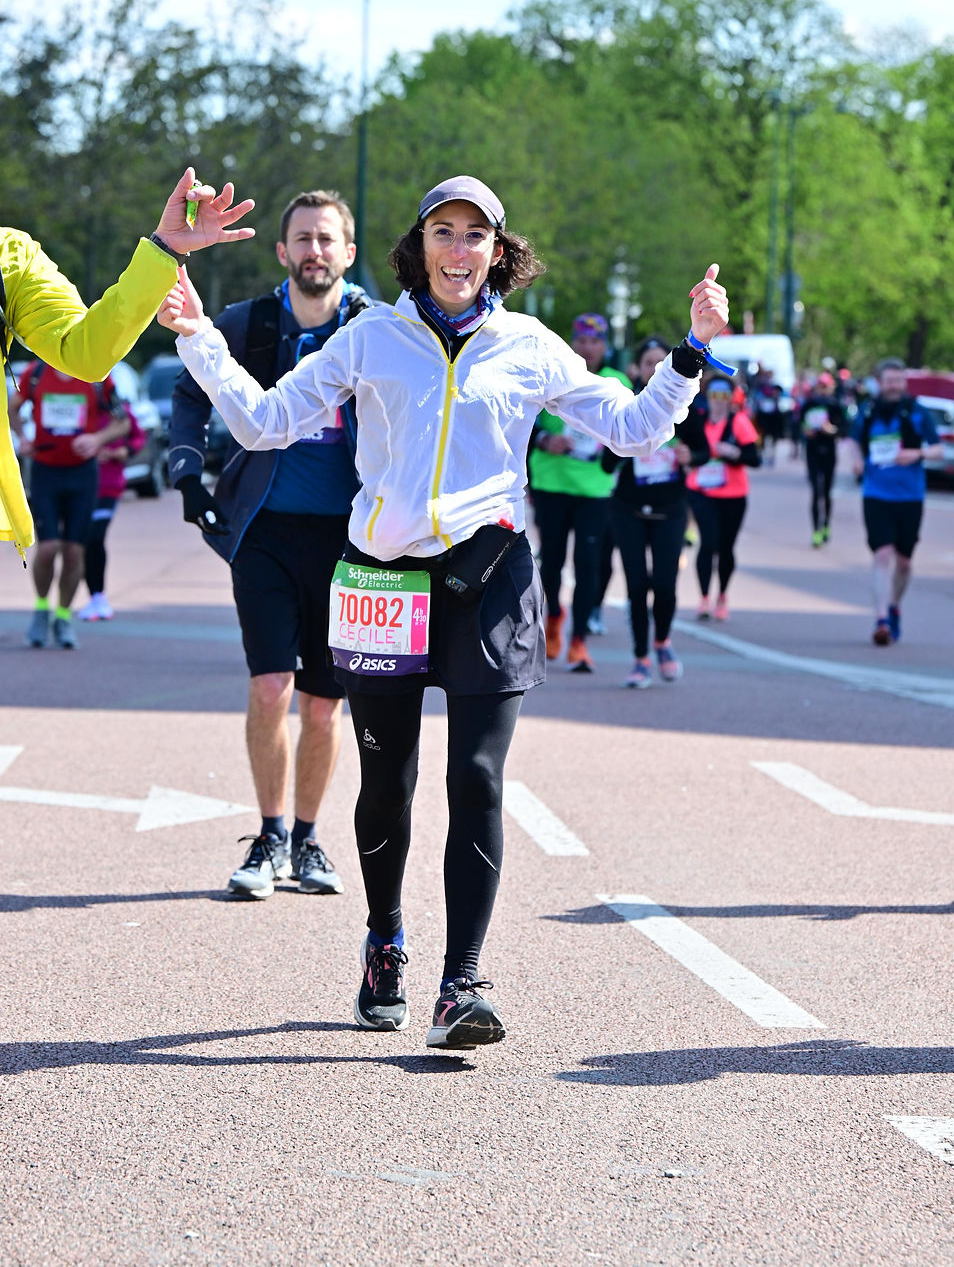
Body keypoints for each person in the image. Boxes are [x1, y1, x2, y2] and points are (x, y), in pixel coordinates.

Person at [158, 173, 729, 1050]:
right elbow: (266, 422)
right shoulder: (370, 336)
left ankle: (460, 983)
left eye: (475, 236)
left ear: (499, 252)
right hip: (385, 577)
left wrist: (692, 352)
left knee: (480, 778)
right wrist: (196, 334)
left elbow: (633, 428)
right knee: (387, 785)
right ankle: (385, 941)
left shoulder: (529, 346)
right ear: (417, 247)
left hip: (489, 577)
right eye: (442, 232)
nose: (458, 251)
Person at [168, 189, 371, 901]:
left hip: (353, 542)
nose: (315, 251)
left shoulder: (376, 330)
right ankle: (270, 835)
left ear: (349, 253)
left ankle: (310, 841)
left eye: (327, 239)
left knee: (323, 703)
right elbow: (193, 388)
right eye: (302, 240)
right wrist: (189, 469)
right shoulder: (247, 323)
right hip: (264, 532)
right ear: (282, 252)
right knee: (269, 686)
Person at [0, 168, 255, 562]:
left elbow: (86, 352)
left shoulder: (8, 257)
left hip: (78, 469)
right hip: (49, 468)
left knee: (73, 548)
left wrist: (165, 249)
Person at [603, 336, 710, 686]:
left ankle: (662, 641)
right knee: (637, 586)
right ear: (637, 368)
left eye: (660, 362)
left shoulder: (686, 406)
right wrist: (628, 447)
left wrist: (688, 457)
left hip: (670, 507)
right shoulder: (625, 404)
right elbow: (606, 463)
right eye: (648, 362)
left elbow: (703, 451)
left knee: (664, 585)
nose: (653, 369)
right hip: (628, 508)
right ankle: (640, 658)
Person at [527, 313, 630, 673]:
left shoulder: (616, 382)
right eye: (582, 341)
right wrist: (545, 440)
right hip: (552, 483)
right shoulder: (554, 375)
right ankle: (554, 616)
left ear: (605, 346)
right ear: (573, 343)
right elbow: (524, 424)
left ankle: (579, 639)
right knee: (551, 561)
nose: (588, 348)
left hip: (595, 490)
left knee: (589, 564)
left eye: (595, 342)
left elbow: (630, 433)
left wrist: (611, 453)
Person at [10, 364, 130, 647]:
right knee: (48, 547)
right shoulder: (35, 373)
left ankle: (63, 616)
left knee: (75, 551)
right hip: (45, 471)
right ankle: (41, 609)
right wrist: (23, 438)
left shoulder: (96, 374)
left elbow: (122, 421)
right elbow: (12, 407)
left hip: (83, 474)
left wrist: (97, 439)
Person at [849, 358, 941, 645]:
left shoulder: (917, 412)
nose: (894, 386)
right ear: (880, 381)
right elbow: (852, 441)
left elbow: (938, 449)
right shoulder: (868, 411)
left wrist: (917, 455)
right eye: (889, 380)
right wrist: (855, 462)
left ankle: (894, 606)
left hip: (910, 496)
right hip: (876, 493)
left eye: (898, 380)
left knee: (903, 562)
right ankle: (881, 620)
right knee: (882, 554)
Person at [686, 376, 760, 620]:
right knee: (708, 542)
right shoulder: (698, 421)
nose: (718, 401)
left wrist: (735, 453)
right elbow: (688, 449)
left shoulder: (738, 422)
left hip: (733, 494)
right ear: (707, 397)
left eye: (724, 396)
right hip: (701, 491)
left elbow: (754, 458)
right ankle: (704, 598)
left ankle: (722, 596)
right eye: (714, 395)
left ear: (731, 399)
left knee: (726, 547)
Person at [77, 403, 146, 622]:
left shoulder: (119, 409)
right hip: (80, 486)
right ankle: (93, 597)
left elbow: (138, 437)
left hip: (109, 485)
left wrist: (123, 452)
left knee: (95, 537)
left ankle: (99, 597)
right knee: (81, 543)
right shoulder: (78, 403)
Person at [798, 370, 844, 546]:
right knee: (816, 492)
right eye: (821, 386)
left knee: (826, 492)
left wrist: (831, 430)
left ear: (831, 387)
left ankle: (826, 525)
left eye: (826, 386)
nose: (823, 390)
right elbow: (800, 424)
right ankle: (816, 530)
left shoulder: (835, 405)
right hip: (813, 452)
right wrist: (806, 431)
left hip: (829, 452)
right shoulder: (809, 405)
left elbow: (842, 428)